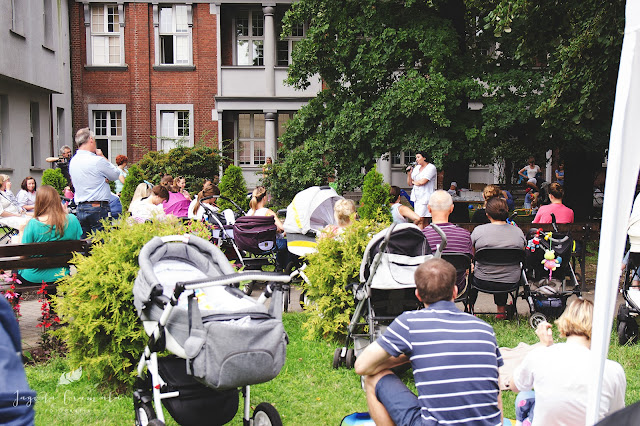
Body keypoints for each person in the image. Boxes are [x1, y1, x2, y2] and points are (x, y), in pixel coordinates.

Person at [355, 258, 504, 426]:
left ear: (418, 294)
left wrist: (408, 356)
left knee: (372, 378)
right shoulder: (485, 329)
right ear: (455, 292)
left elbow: (361, 366)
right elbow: (496, 392)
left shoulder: (409, 323)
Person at [510, 299, 626, 425]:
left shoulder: (540, 355)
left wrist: (544, 347)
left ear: (564, 320)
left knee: (524, 397)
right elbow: (617, 415)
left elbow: (515, 385)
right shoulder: (612, 370)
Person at [469, 197, 526, 318]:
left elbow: (471, 254)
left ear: (487, 214)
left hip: (482, 280)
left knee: (472, 272)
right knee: (503, 266)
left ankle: (470, 308)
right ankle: (501, 310)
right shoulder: (518, 232)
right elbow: (522, 252)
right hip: (510, 281)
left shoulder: (479, 231)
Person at [16, 185, 82, 285]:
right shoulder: (72, 220)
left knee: (15, 271)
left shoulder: (33, 224)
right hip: (61, 274)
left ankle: (11, 300)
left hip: (33, 276)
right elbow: (77, 242)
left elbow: (23, 255)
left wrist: (21, 231)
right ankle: (52, 299)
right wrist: (66, 215)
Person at [69, 127, 122, 237]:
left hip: (81, 207)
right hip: (97, 207)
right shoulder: (97, 160)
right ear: (91, 139)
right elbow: (116, 174)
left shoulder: (73, 161)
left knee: (84, 243)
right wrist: (102, 156)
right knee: (101, 244)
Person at [422, 190, 473, 294]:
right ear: (451, 209)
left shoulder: (421, 237)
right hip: (456, 286)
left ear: (429, 209)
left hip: (428, 286)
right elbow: (469, 265)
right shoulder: (465, 235)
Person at [247, 186, 288, 271]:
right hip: (267, 246)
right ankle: (282, 268)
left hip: (252, 245)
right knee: (288, 244)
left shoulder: (249, 213)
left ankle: (280, 267)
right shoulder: (267, 212)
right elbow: (282, 228)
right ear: (264, 198)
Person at [406, 152, 437, 219]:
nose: (416, 159)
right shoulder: (417, 168)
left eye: (418, 157)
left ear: (424, 158)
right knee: (422, 220)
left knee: (419, 219)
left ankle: (415, 229)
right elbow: (409, 183)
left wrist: (414, 182)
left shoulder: (431, 168)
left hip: (425, 197)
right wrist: (409, 174)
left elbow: (422, 182)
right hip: (417, 198)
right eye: (416, 158)